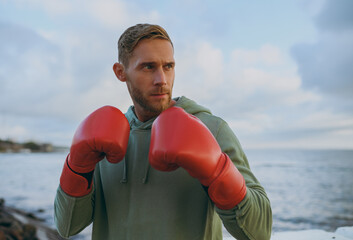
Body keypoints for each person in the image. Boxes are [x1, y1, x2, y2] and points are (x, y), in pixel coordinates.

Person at [54, 23, 272, 240]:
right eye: (148, 67)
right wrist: (77, 167)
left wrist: (217, 171)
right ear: (121, 72)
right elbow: (67, 227)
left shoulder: (212, 129)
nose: (162, 80)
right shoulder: (103, 137)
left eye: (168, 66)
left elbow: (259, 233)